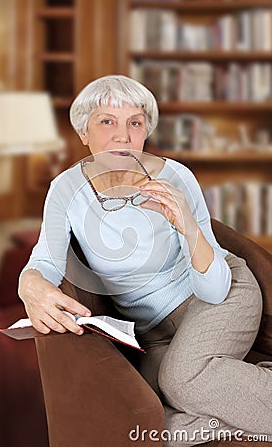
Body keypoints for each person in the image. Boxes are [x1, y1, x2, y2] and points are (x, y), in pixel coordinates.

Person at [18, 75, 271, 445]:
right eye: (107, 121)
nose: (123, 135)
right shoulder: (66, 189)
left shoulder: (176, 177)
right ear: (83, 132)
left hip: (220, 294)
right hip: (150, 332)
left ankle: (215, 388)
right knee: (144, 412)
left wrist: (188, 226)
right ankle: (242, 392)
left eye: (134, 122)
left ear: (145, 131)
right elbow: (46, 260)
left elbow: (214, 288)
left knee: (179, 381)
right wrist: (29, 282)